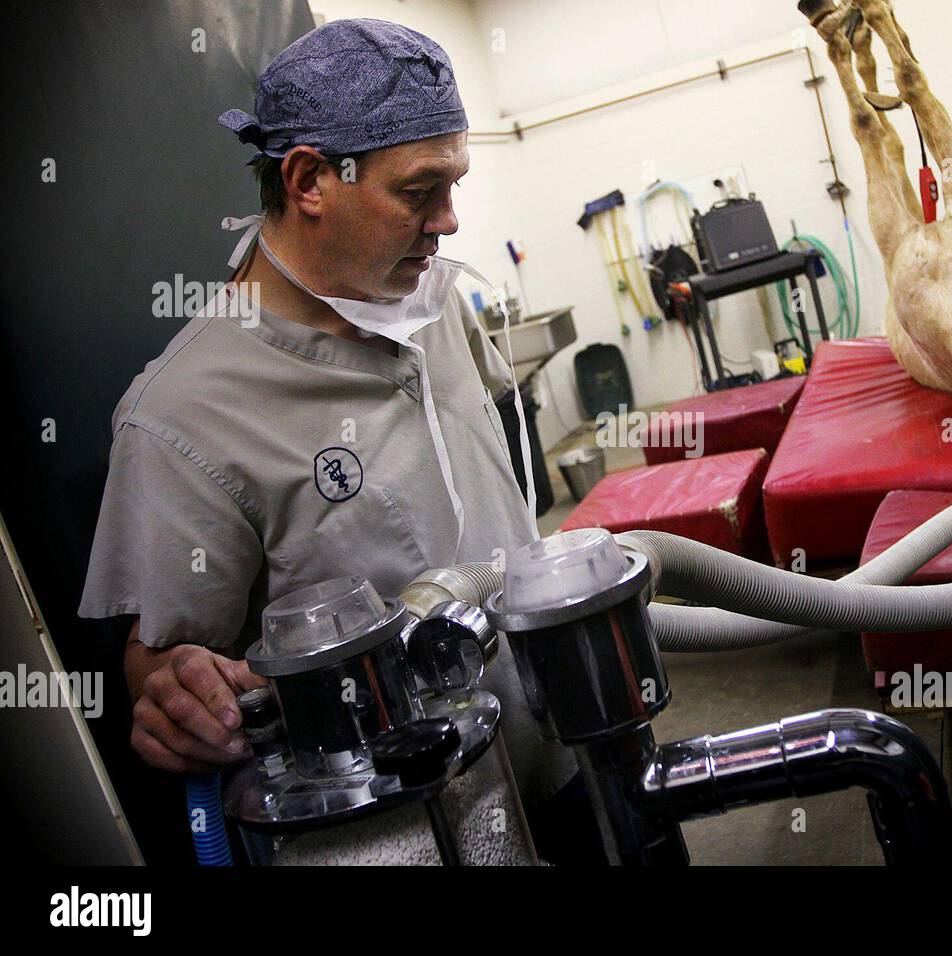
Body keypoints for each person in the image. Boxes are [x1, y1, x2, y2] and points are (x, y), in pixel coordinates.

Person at [78, 18, 600, 861]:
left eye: (455, 184)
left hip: (556, 755)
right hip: (415, 829)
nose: (450, 222)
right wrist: (177, 693)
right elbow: (166, 661)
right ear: (311, 178)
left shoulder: (430, 304)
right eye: (420, 191)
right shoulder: (185, 417)